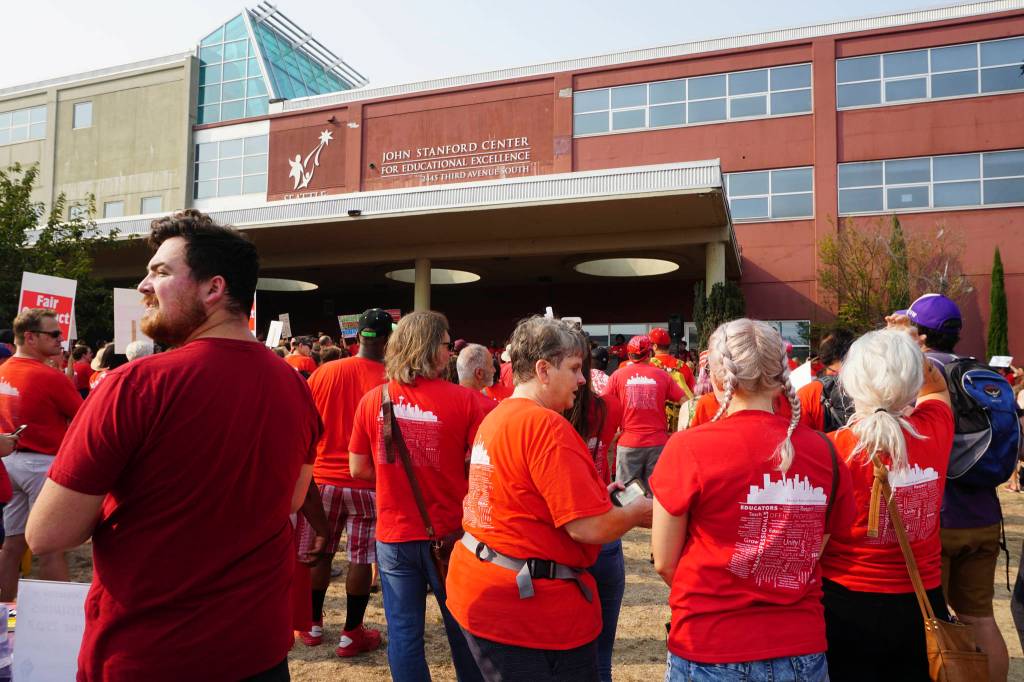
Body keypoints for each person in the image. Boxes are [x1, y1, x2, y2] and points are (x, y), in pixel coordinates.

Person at [25, 209, 322, 681]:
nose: (143, 284)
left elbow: (48, 535)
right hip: (258, 652)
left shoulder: (135, 385)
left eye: (160, 272)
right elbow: (288, 499)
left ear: (213, 289)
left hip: (151, 655)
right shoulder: (296, 386)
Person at [446, 316, 651, 681]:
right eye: (574, 368)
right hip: (526, 613)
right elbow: (590, 528)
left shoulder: (498, 416)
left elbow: (519, 496)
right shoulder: (546, 425)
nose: (583, 379)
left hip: (484, 589)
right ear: (543, 370)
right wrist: (636, 512)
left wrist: (593, 497)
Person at [651, 318, 855, 682]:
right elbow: (813, 550)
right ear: (781, 374)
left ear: (715, 375)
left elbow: (665, 561)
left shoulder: (688, 448)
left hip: (711, 643)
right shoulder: (824, 449)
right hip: (801, 648)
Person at [349, 311, 486, 682]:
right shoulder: (468, 402)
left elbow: (358, 468)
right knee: (462, 629)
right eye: (446, 344)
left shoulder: (372, 400)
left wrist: (393, 475)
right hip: (451, 535)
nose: (449, 353)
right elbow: (485, 466)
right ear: (431, 349)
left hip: (395, 533)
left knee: (405, 634)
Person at [819, 323, 955, 681]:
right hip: (923, 599)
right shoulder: (937, 427)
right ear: (911, 382)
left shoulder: (831, 449)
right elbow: (937, 385)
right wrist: (906, 343)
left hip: (844, 601)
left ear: (849, 383)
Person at [899, 293, 1009, 681]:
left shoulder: (920, 378)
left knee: (934, 621)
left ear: (921, 335)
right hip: (984, 515)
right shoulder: (982, 373)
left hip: (938, 519)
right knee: (981, 618)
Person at [298, 308, 394, 657]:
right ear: (388, 340)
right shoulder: (392, 380)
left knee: (320, 551)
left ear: (355, 338)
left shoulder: (324, 372)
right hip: (367, 482)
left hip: (322, 480)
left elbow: (304, 423)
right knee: (360, 558)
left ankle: (311, 624)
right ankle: (351, 632)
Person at [0, 309, 83, 599]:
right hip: (41, 466)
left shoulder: (3, 370)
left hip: (9, 465)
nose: (61, 339)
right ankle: (57, 618)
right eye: (54, 334)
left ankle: (5, 609)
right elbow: (86, 419)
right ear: (31, 337)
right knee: (51, 547)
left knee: (12, 545)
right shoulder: (50, 377)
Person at [565, 332, 626, 682]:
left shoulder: (544, 418)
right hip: (602, 524)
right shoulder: (609, 407)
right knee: (602, 652)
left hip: (564, 535)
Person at [606, 335, 685, 489]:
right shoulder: (663, 375)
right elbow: (686, 402)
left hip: (629, 443)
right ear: (650, 354)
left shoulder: (618, 375)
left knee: (626, 495)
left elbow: (603, 404)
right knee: (656, 494)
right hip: (658, 443)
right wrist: (680, 430)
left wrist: (612, 430)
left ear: (629, 355)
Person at [796, 326, 856, 431]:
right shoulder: (867, 386)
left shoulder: (806, 394)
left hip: (823, 445)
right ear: (851, 351)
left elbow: (801, 437)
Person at [457, 344, 500, 415]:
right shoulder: (491, 408)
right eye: (491, 366)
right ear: (479, 373)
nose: (494, 370)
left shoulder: (445, 401)